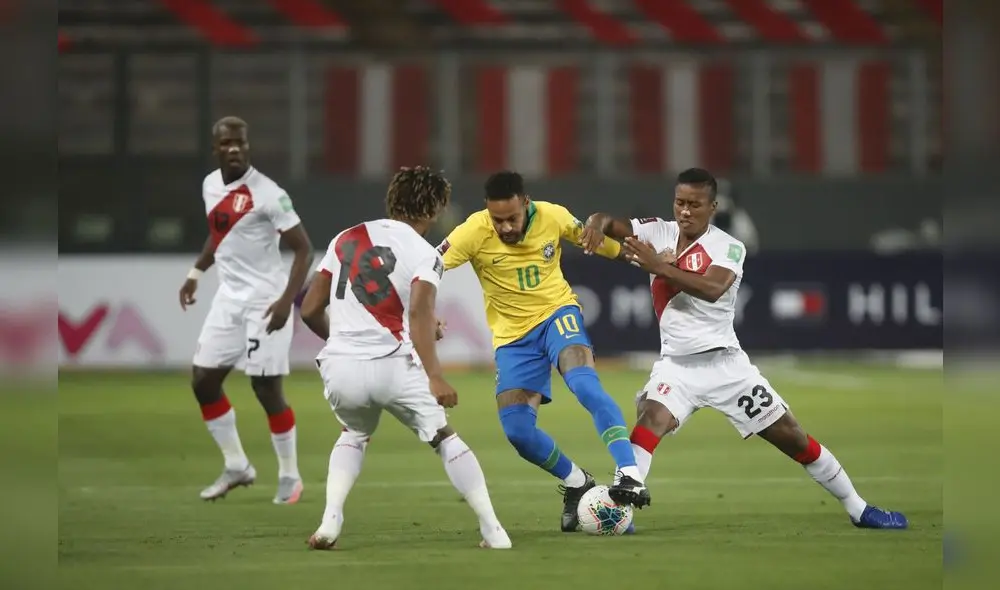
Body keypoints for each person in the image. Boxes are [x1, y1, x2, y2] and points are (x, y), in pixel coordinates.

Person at [579, 167, 908, 529]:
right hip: (677, 366)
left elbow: (711, 288)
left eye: (694, 204)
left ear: (713, 206)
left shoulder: (728, 247)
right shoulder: (659, 231)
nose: (685, 211)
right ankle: (619, 510)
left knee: (794, 439)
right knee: (649, 421)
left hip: (727, 368)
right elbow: (610, 222)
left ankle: (858, 508)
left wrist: (658, 266)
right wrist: (596, 223)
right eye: (679, 202)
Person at [299, 166, 511, 550]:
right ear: (434, 211)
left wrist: (350, 342)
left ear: (392, 199)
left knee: (354, 433)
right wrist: (435, 375)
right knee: (445, 438)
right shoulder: (426, 253)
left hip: (341, 368)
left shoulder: (345, 238)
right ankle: (494, 531)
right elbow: (418, 314)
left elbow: (310, 309)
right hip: (394, 366)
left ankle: (330, 521)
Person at [436, 170, 650, 533]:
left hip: (557, 315)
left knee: (584, 385)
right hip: (512, 340)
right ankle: (576, 482)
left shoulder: (553, 215)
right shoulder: (472, 231)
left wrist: (646, 262)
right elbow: (428, 265)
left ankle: (628, 473)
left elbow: (599, 242)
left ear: (526, 203)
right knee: (518, 431)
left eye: (511, 218)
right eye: (497, 219)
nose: (504, 227)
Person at [178, 116, 314, 504]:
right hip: (229, 298)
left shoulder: (269, 193)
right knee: (203, 381)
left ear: (248, 146)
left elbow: (304, 248)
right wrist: (196, 272)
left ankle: (290, 475)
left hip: (265, 300)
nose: (234, 148)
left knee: (265, 387)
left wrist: (287, 300)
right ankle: (237, 465)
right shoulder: (210, 184)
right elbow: (219, 232)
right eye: (226, 143)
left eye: (240, 142)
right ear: (216, 148)